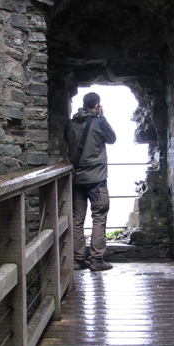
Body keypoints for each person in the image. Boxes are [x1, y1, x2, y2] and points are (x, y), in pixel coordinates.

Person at [64, 92, 117, 272]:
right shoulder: (99, 122)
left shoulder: (70, 124)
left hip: (77, 179)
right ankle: (96, 259)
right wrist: (102, 116)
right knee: (99, 216)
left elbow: (67, 141)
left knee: (77, 220)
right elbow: (112, 139)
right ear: (97, 106)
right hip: (97, 180)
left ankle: (78, 259)